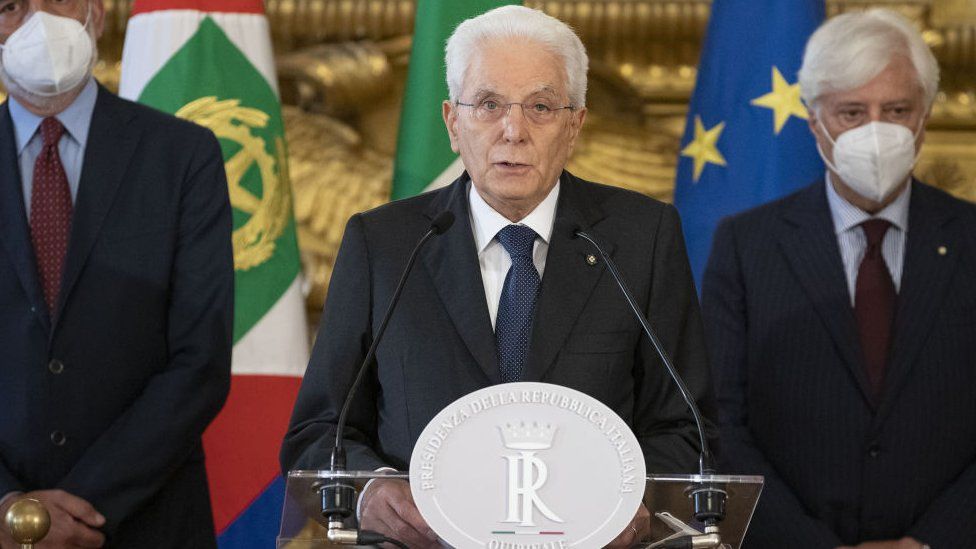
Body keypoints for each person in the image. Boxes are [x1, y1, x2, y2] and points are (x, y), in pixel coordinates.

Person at [281, 5, 714, 548]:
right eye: (488, 105)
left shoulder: (641, 238)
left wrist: (629, 502)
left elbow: (686, 428)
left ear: (575, 125)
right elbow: (320, 430)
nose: (513, 131)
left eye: (540, 107)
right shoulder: (385, 243)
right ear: (452, 122)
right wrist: (371, 490)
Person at [702, 8, 976, 549]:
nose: (876, 130)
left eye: (896, 110)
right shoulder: (746, 245)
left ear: (924, 117)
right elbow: (720, 422)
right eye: (852, 112)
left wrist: (930, 540)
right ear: (815, 121)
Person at [0, 0, 234, 546]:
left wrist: (82, 508)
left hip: (147, 520)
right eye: (11, 6)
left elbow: (199, 359)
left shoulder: (182, 154)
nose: (40, 22)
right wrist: (9, 505)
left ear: (97, 15)